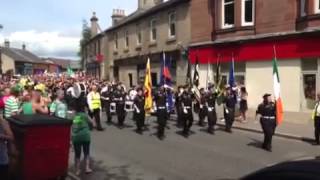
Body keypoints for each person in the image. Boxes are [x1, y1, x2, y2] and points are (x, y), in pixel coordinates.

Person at [71, 104, 93, 176]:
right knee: (86, 152)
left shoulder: (73, 116)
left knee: (77, 154)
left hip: (76, 137)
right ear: (83, 108)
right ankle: (87, 168)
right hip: (85, 136)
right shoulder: (85, 115)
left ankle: (77, 170)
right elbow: (92, 122)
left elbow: (71, 126)